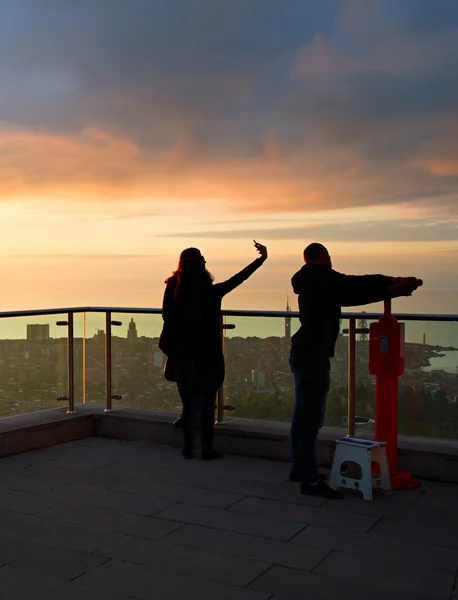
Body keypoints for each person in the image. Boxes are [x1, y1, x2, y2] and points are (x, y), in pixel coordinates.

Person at [289, 242, 422, 499]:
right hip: (313, 356)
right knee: (310, 419)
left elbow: (349, 292)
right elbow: (354, 286)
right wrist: (390, 286)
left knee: (301, 416)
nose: (331, 260)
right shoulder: (323, 278)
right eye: (329, 256)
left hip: (302, 353)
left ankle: (300, 469)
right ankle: (310, 481)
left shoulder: (309, 281)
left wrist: (388, 287)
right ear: (323, 257)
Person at [160, 241, 268, 460]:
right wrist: (260, 260)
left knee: (188, 398)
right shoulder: (211, 292)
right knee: (208, 402)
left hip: (183, 353)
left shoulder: (173, 288)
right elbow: (238, 279)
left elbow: (166, 316)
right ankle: (207, 449)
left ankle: (188, 448)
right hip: (207, 353)